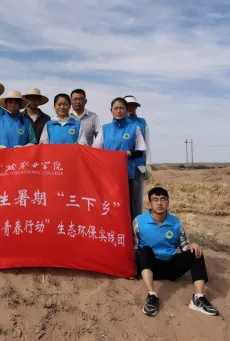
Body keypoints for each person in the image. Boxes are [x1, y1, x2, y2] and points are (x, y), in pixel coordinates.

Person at [135, 187, 219, 317]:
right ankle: (152, 296)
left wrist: (192, 246)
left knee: (196, 251)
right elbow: (134, 248)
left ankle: (198, 298)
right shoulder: (139, 221)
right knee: (145, 250)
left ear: (168, 202)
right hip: (151, 267)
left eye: (163, 199)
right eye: (155, 200)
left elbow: (184, 246)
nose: (159, 203)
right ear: (150, 203)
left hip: (172, 267)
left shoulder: (175, 222)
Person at [92, 97, 146, 222]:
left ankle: (128, 230)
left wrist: (131, 153)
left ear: (126, 110)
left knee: (127, 205)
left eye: (122, 108)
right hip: (108, 175)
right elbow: (95, 151)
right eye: (115, 108)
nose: (118, 111)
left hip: (127, 175)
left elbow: (140, 151)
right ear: (111, 111)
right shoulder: (105, 129)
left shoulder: (135, 128)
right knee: (108, 204)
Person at [125, 95, 152, 217]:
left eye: (133, 105)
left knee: (137, 199)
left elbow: (147, 144)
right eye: (127, 105)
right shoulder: (118, 123)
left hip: (138, 165)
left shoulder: (142, 123)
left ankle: (136, 224)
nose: (130, 108)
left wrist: (148, 164)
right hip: (122, 166)